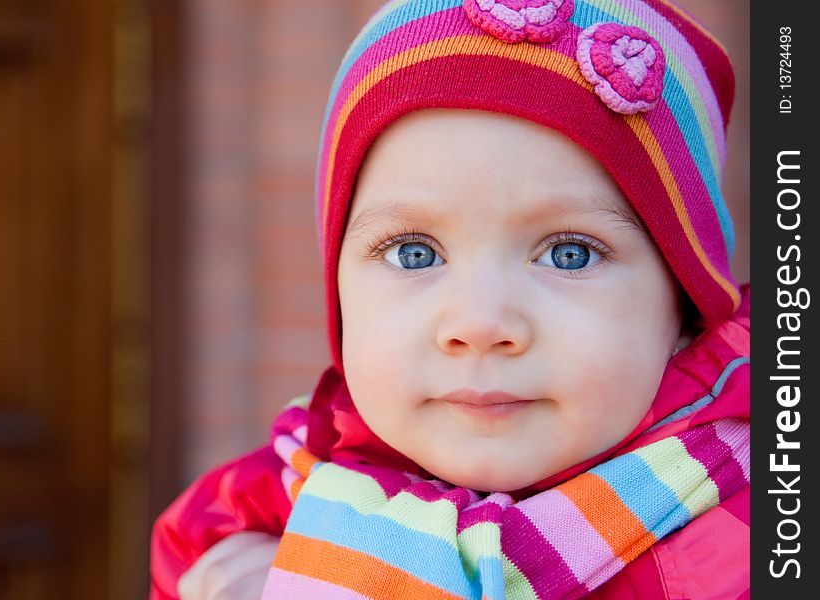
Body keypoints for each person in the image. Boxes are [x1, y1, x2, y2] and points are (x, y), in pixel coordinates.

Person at [150, 1, 750, 598]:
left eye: (571, 253)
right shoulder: (254, 517)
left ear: (685, 302)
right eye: (414, 252)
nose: (480, 323)